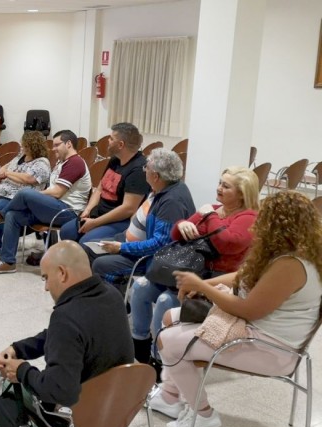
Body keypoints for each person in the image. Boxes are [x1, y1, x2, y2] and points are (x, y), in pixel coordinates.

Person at [150, 191, 322, 427]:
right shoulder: (291, 253)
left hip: (271, 348)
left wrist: (202, 287)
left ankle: (203, 413)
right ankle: (169, 397)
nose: (257, 223)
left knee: (167, 340)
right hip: (257, 330)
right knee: (170, 319)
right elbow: (244, 277)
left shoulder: (291, 265)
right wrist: (201, 284)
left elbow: (248, 309)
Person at [0, 241, 133, 427]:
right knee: (45, 372)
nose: (45, 287)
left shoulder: (66, 316)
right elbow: (60, 337)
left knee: (8, 380)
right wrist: (18, 348)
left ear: (62, 273)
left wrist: (21, 369)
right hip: (118, 411)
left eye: (45, 278)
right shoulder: (111, 295)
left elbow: (59, 391)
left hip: (80, 420)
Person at [129, 167, 259, 367]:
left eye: (226, 186)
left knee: (165, 300)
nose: (219, 188)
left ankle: (160, 358)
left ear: (242, 193)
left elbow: (227, 242)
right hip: (191, 272)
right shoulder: (213, 210)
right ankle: (140, 345)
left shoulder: (248, 217)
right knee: (140, 287)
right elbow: (175, 235)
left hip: (215, 284)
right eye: (219, 183)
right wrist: (181, 225)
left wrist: (209, 215)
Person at [0, 130, 91, 274]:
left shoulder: (75, 162)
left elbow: (57, 192)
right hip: (53, 207)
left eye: (57, 145)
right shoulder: (62, 162)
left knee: (25, 193)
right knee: (12, 215)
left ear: (69, 144)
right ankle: (7, 261)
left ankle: (0, 214)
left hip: (67, 212)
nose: (53, 148)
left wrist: (33, 196)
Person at [90, 148, 195, 285]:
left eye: (146, 167)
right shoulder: (164, 186)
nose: (144, 170)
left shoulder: (171, 202)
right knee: (89, 248)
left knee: (99, 264)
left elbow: (159, 245)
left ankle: (118, 294)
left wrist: (122, 248)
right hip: (129, 240)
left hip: (144, 257)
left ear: (156, 176)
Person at [59, 122, 149, 244]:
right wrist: (88, 210)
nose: (108, 140)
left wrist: (95, 223)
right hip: (99, 214)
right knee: (66, 231)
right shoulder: (115, 160)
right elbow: (100, 188)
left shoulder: (138, 169)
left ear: (121, 144)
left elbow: (128, 208)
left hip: (120, 221)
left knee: (86, 241)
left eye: (111, 138)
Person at [0, 131, 50, 263]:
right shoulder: (20, 157)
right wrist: (6, 172)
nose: (22, 147)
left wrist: (9, 174)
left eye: (25, 145)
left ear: (34, 146)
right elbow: (4, 168)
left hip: (15, 196)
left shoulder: (42, 163)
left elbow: (29, 179)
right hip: (1, 190)